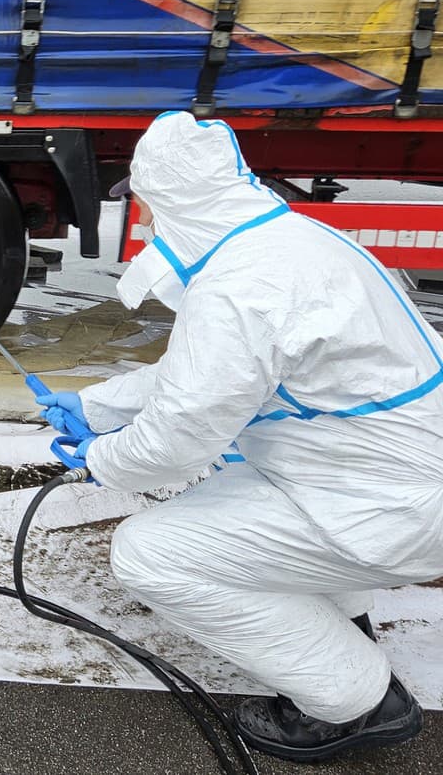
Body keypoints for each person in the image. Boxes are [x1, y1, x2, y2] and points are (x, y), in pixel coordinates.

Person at [38, 110, 443, 762]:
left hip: (387, 506)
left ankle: (354, 702)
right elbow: (209, 375)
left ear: (166, 204)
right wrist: (96, 403)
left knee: (149, 552)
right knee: (237, 484)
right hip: (380, 474)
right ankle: (339, 624)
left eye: (142, 204)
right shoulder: (285, 242)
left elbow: (180, 439)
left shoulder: (240, 288)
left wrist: (102, 458)